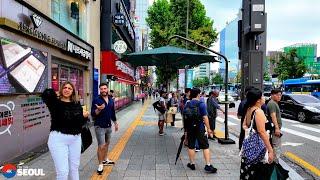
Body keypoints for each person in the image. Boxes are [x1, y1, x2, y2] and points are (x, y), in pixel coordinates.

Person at [41, 81, 89, 180]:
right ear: (61, 89)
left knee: (74, 169)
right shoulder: (55, 103)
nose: (67, 90)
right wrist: (54, 92)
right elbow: (46, 94)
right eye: (65, 88)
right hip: (58, 139)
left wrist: (85, 117)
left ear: (73, 91)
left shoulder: (76, 104)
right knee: (62, 172)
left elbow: (80, 122)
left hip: (75, 139)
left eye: (69, 88)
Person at [240, 87, 274, 179]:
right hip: (259, 149)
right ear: (258, 100)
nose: (264, 98)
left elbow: (244, 125)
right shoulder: (258, 112)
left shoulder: (249, 109)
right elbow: (262, 132)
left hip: (251, 149)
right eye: (262, 96)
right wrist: (270, 150)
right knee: (259, 174)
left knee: (250, 174)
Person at [183, 88, 217, 173]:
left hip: (190, 128)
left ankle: (192, 164)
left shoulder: (187, 103)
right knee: (205, 146)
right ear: (198, 94)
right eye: (200, 94)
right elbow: (205, 117)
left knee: (191, 146)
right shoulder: (201, 104)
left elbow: (185, 117)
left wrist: (186, 130)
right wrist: (209, 129)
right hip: (200, 128)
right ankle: (208, 165)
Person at [91, 83, 118, 175]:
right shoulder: (96, 99)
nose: (103, 90)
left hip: (108, 126)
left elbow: (112, 112)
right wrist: (98, 109)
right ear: (100, 90)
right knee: (101, 146)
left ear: (107, 89)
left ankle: (105, 159)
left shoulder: (110, 99)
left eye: (105, 88)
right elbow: (93, 114)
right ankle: (100, 164)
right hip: (99, 126)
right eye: (101, 89)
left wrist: (115, 122)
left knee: (107, 144)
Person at [267, 89, 283, 164]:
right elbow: (273, 116)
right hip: (274, 129)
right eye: (278, 95)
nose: (279, 96)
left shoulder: (274, 103)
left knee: (276, 147)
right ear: (272, 95)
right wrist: (277, 128)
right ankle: (274, 165)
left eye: (280, 95)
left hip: (274, 129)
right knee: (276, 147)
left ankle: (274, 164)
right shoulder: (272, 103)